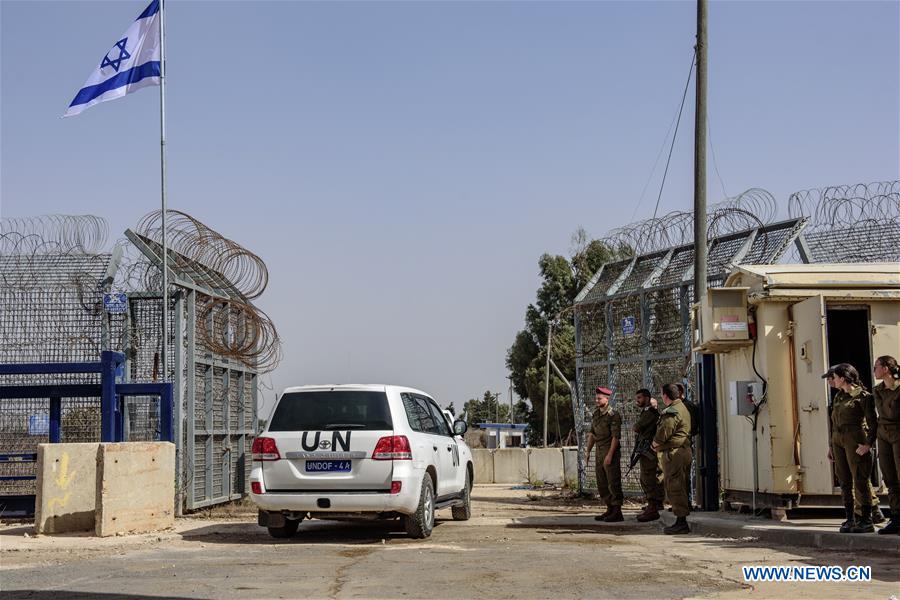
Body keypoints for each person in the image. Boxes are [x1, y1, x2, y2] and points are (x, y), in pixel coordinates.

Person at [824, 363, 878, 534]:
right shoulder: (840, 397)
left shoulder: (863, 396)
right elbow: (834, 423)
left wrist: (868, 444)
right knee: (844, 480)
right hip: (839, 439)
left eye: (836, 377)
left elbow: (872, 422)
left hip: (855, 438)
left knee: (860, 479)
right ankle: (850, 518)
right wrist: (831, 446)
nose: (833, 380)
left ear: (844, 378)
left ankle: (866, 519)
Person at [652, 383, 692, 534]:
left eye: (662, 394)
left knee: (675, 485)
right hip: (683, 450)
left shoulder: (671, 412)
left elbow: (663, 433)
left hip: (674, 453)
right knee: (680, 484)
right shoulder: (683, 407)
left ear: (665, 396)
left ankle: (681, 522)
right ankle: (681, 520)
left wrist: (654, 444)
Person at [585, 386, 623, 522]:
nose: (597, 400)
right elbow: (592, 435)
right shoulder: (596, 414)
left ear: (607, 399)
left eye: (599, 398)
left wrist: (610, 454)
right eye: (596, 398)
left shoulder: (613, 415)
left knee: (613, 481)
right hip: (599, 450)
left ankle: (617, 511)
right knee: (602, 482)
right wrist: (588, 451)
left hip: (609, 449)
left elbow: (616, 437)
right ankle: (609, 508)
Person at [873, 355, 900, 535]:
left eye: (877, 367)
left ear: (886, 369)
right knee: (889, 478)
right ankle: (897, 518)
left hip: (898, 431)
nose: (874, 370)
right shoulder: (878, 390)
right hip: (883, 434)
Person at [633, 388, 663, 522]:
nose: (637, 401)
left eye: (639, 398)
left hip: (650, 450)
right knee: (645, 477)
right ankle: (654, 504)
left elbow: (637, 427)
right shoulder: (646, 412)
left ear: (646, 398)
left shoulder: (650, 413)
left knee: (648, 477)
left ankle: (654, 506)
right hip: (646, 449)